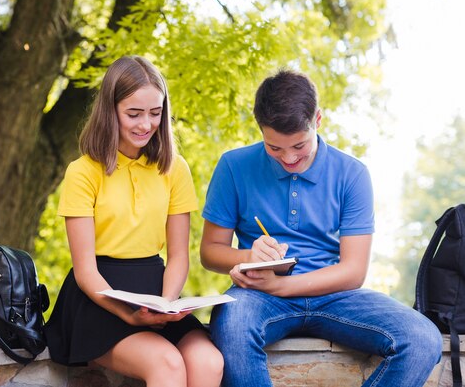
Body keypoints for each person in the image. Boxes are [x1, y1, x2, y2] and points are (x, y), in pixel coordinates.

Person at [200, 69, 442, 387]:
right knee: (231, 325)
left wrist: (281, 286)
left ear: (318, 120)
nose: (288, 158)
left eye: (299, 146)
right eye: (274, 148)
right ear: (260, 129)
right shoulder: (234, 166)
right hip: (258, 296)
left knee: (423, 338)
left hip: (335, 295)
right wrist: (248, 256)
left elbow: (353, 271)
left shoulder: (352, 174)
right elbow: (210, 253)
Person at [43, 55, 223, 387]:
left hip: (157, 293)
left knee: (208, 361)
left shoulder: (174, 168)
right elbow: (85, 270)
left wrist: (167, 305)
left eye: (155, 113)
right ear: (110, 110)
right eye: (134, 114)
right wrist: (127, 313)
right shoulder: (82, 172)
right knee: (167, 364)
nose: (145, 124)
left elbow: (179, 256)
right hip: (99, 298)